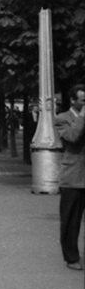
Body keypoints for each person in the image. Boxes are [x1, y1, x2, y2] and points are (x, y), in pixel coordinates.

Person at [54, 84, 85, 270]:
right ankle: (72, 257)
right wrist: (82, 117)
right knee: (71, 221)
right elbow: (72, 137)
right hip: (73, 176)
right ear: (73, 101)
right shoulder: (62, 118)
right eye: (84, 100)